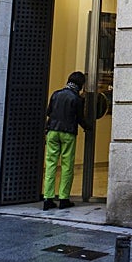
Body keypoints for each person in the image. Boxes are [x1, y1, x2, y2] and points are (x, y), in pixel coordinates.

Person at [42, 71, 93, 210]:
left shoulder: (56, 94)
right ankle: (64, 198)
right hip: (67, 133)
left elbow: (49, 112)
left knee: (51, 165)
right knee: (66, 166)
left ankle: (48, 198)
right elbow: (80, 118)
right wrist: (89, 127)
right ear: (80, 85)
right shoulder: (76, 99)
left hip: (52, 131)